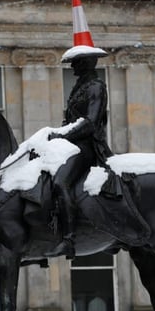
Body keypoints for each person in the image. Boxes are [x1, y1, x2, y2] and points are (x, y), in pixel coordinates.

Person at [45, 53, 112, 259]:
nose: (72, 66)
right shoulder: (79, 87)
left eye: (76, 62)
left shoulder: (96, 87)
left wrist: (63, 134)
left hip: (88, 147)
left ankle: (69, 239)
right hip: (71, 145)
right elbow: (71, 121)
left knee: (60, 183)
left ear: (86, 63)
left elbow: (90, 122)